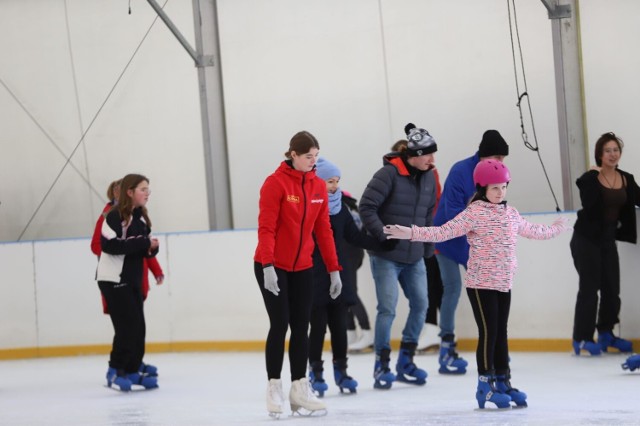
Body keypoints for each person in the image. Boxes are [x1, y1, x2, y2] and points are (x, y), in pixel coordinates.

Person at [384, 159, 570, 408]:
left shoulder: (511, 213)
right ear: (483, 188)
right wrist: (411, 232)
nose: (500, 192)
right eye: (495, 188)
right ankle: (485, 386)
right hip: (481, 283)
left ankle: (503, 381)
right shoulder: (474, 213)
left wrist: (556, 228)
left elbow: (534, 230)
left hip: (504, 282)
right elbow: (443, 232)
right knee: (489, 332)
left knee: (501, 332)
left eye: (503, 187)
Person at [253, 131, 343, 417]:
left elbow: (323, 231)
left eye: (316, 157)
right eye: (308, 157)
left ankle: (299, 389)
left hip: (303, 266)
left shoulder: (317, 186)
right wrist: (267, 266)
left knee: (301, 326)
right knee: (279, 324)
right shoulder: (275, 183)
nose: (312, 162)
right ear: (293, 154)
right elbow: (266, 228)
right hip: (272, 265)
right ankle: (274, 387)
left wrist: (334, 270)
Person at [307, 158, 396, 397]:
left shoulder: (341, 208)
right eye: (329, 182)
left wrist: (382, 244)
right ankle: (315, 372)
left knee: (338, 325)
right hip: (315, 273)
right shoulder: (308, 206)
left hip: (339, 272)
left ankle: (341, 371)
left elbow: (355, 237)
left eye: (336, 182)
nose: (334, 186)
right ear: (316, 181)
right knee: (317, 327)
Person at [359, 123, 437, 389]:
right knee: (387, 309)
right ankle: (382, 365)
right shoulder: (388, 174)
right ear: (413, 155)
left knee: (421, 305)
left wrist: (426, 248)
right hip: (386, 256)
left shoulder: (428, 176)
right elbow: (366, 207)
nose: (432, 160)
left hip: (414, 255)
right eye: (428, 154)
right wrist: (383, 236)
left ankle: (406, 361)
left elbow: (427, 214)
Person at [432, 130, 509, 374]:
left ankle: (496, 350)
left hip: (472, 242)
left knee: (489, 291)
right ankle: (447, 346)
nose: (501, 162)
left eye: (503, 158)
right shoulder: (460, 171)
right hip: (447, 238)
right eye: (498, 156)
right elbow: (453, 209)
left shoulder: (496, 174)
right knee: (452, 288)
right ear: (485, 155)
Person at [570, 132, 640, 356]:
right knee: (590, 289)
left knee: (612, 288)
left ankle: (606, 332)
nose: (612, 154)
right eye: (607, 150)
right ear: (599, 154)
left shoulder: (626, 178)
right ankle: (581, 338)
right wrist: (592, 174)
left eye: (616, 150)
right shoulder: (589, 179)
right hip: (586, 239)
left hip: (608, 238)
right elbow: (588, 204)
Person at [96, 173, 160, 392]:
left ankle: (132, 370)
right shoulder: (114, 217)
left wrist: (151, 248)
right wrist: (143, 242)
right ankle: (116, 370)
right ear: (130, 192)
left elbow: (141, 247)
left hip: (132, 279)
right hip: (113, 279)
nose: (147, 193)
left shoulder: (140, 217)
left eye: (148, 189)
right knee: (127, 327)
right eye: (143, 189)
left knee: (138, 328)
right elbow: (108, 245)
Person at [91, 180, 165, 315]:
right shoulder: (109, 215)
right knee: (126, 328)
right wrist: (120, 254)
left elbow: (144, 245)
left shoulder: (137, 214)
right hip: (117, 279)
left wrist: (157, 270)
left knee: (136, 328)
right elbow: (98, 245)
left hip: (136, 277)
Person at [342, 191, 375, 353]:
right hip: (353, 253)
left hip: (346, 253)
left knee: (349, 293)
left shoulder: (341, 208)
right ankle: (351, 334)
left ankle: (367, 334)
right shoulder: (352, 208)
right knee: (343, 294)